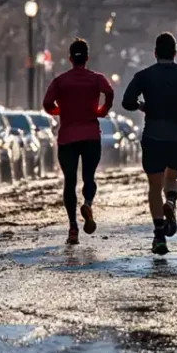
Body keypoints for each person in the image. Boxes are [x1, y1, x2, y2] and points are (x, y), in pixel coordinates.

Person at [122, 33, 177, 255]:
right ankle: (171, 201)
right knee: (172, 179)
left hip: (153, 137)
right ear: (175, 53)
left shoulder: (143, 76)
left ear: (155, 53)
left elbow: (126, 102)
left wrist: (142, 106)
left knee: (154, 186)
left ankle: (159, 236)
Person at [43, 38, 115, 245]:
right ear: (87, 58)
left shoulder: (60, 81)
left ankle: (73, 227)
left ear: (69, 58)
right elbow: (109, 92)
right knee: (89, 176)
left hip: (67, 137)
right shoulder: (96, 78)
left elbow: (47, 103)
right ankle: (89, 203)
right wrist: (102, 110)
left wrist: (59, 111)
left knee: (70, 181)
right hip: (91, 134)